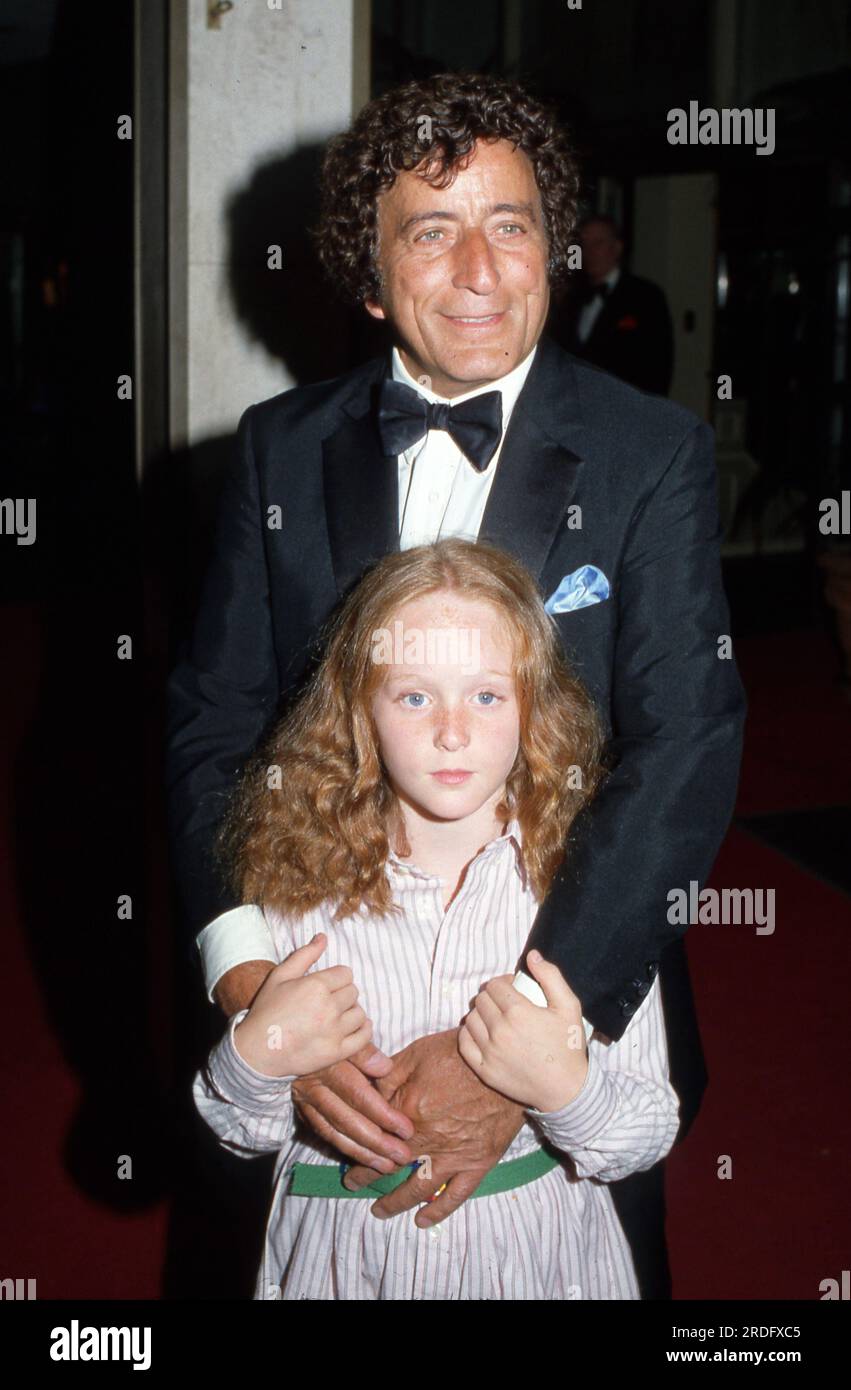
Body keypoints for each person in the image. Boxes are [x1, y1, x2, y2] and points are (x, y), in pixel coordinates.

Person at [166, 71, 747, 1299]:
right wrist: (252, 983)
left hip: (569, 981)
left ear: (556, 249)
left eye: (510, 224)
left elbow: (683, 743)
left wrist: (518, 1052)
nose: (478, 268)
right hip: (328, 989)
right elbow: (212, 722)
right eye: (431, 230)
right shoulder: (276, 449)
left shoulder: (654, 453)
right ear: (370, 278)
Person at [193, 538, 681, 1300]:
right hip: (343, 1264)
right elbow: (237, 1127)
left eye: (487, 696)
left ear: (534, 706)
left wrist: (565, 1089)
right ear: (358, 708)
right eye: (415, 696)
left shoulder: (585, 890)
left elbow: (646, 1129)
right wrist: (257, 1052)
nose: (451, 732)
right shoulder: (292, 885)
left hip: (536, 1261)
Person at [550, 215, 675, 395]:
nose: (589, 251)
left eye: (598, 243)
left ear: (617, 248)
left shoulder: (645, 296)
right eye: (584, 245)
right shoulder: (573, 298)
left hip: (628, 405)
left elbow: (658, 363)